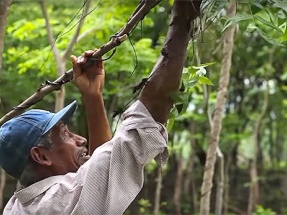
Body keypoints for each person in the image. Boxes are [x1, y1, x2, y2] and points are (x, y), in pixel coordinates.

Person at [0, 49, 169, 215]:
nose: (81, 140)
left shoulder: (17, 206)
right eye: (66, 135)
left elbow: (99, 171)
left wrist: (93, 96)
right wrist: (178, 34)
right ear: (42, 156)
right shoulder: (56, 204)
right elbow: (103, 171)